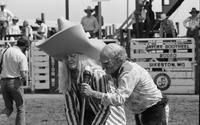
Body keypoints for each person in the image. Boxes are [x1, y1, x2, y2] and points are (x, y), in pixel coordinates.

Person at [81, 43, 169, 125]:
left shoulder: (128, 73)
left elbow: (119, 99)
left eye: (107, 63)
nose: (103, 67)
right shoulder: (116, 69)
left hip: (154, 108)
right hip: (144, 109)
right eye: (102, 63)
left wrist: (93, 93)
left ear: (117, 60)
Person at [60, 53, 126, 125]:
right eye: (67, 57)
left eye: (73, 56)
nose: (69, 59)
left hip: (109, 121)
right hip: (87, 119)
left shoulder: (97, 75)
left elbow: (105, 109)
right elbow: (70, 110)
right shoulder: (68, 80)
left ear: (82, 57)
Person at [0, 36, 30, 125]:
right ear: (24, 46)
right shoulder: (21, 55)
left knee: (8, 108)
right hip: (15, 82)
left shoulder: (4, 51)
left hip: (3, 82)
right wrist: (24, 79)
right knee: (20, 108)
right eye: (27, 47)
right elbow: (23, 75)